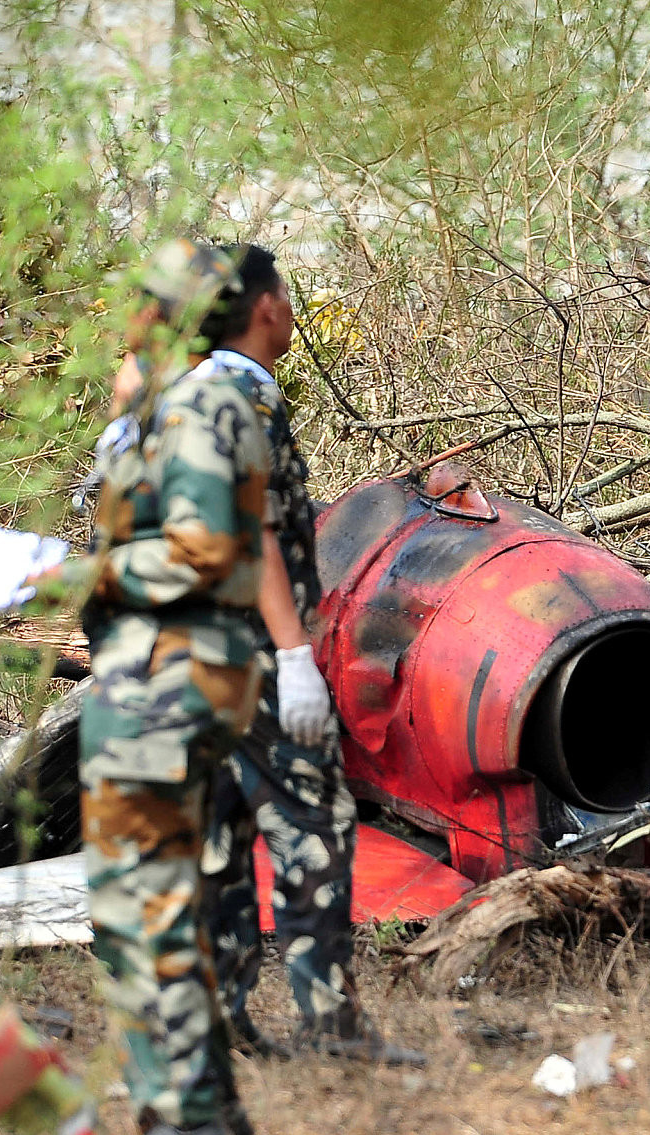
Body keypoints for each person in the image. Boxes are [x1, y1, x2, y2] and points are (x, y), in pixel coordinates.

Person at [197, 245, 424, 1067]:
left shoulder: (183, 396)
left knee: (217, 834)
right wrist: (294, 653)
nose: (291, 310)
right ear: (264, 307)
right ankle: (332, 1024)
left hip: (194, 658)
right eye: (285, 295)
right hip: (253, 656)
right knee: (315, 825)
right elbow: (248, 529)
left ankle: (221, 1018)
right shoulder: (244, 398)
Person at [76, 237, 271, 1135]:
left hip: (169, 675)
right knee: (158, 896)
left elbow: (199, 548)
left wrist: (75, 572)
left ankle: (184, 1112)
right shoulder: (171, 404)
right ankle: (206, 1111)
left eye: (141, 299)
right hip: (164, 671)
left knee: (138, 899)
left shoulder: (198, 404)